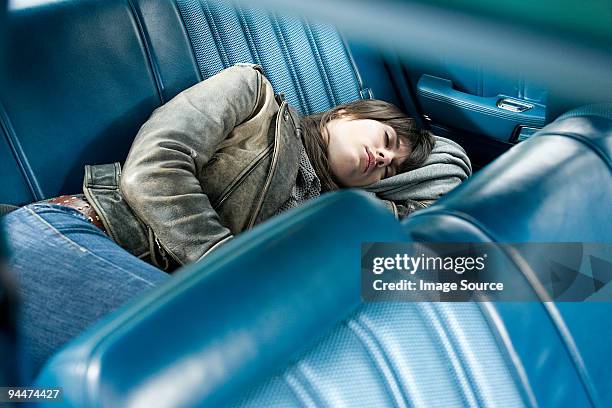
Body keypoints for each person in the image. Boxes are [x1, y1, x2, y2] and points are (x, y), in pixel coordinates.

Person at [2, 63, 468, 375]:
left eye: (389, 166)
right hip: (78, 238)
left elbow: (434, 203)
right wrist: (228, 268)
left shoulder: (339, 217)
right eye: (385, 137)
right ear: (346, 111)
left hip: (172, 298)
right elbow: (155, 166)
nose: (381, 156)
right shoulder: (253, 94)